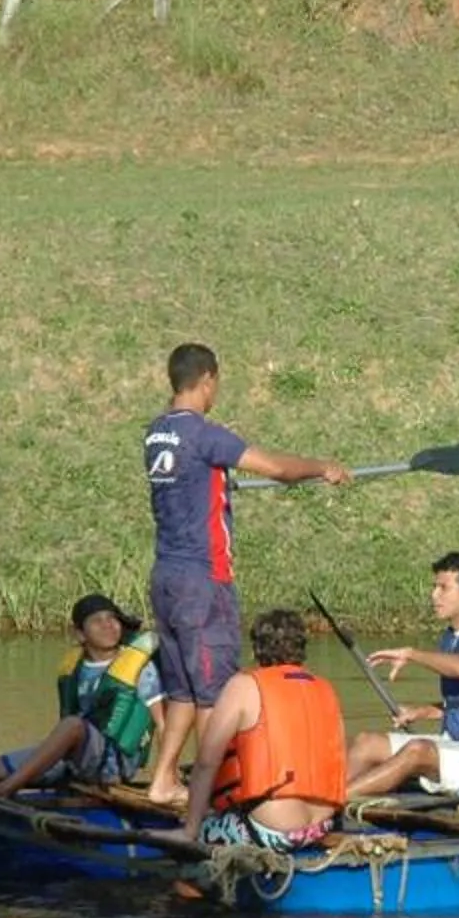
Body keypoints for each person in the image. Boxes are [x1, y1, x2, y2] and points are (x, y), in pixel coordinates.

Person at [140, 341, 354, 807]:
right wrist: (324, 468)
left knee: (181, 688)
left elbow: (195, 483)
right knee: (213, 692)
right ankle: (215, 792)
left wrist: (220, 481)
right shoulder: (204, 435)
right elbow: (276, 468)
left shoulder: (157, 433)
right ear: (208, 379)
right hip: (203, 580)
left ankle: (163, 779)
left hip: (165, 579)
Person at [344, 552, 459, 796]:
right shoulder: (453, 636)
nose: (434, 595)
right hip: (456, 746)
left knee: (417, 750)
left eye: (443, 588)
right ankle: (330, 805)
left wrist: (411, 654)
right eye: (434, 587)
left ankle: (329, 805)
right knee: (365, 743)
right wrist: (422, 711)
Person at [179, 607, 349, 851]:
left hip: (272, 830)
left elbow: (207, 761)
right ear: (302, 647)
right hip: (320, 826)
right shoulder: (326, 689)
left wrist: (191, 829)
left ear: (257, 649)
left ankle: (188, 887)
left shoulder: (244, 686)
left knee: (199, 833)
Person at [0, 592, 161, 796]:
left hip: (112, 762)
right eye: (97, 621)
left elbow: (163, 722)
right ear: (80, 634)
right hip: (76, 757)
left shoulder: (142, 669)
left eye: (112, 618)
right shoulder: (74, 668)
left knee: (72, 725)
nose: (108, 625)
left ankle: (7, 788)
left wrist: (163, 775)